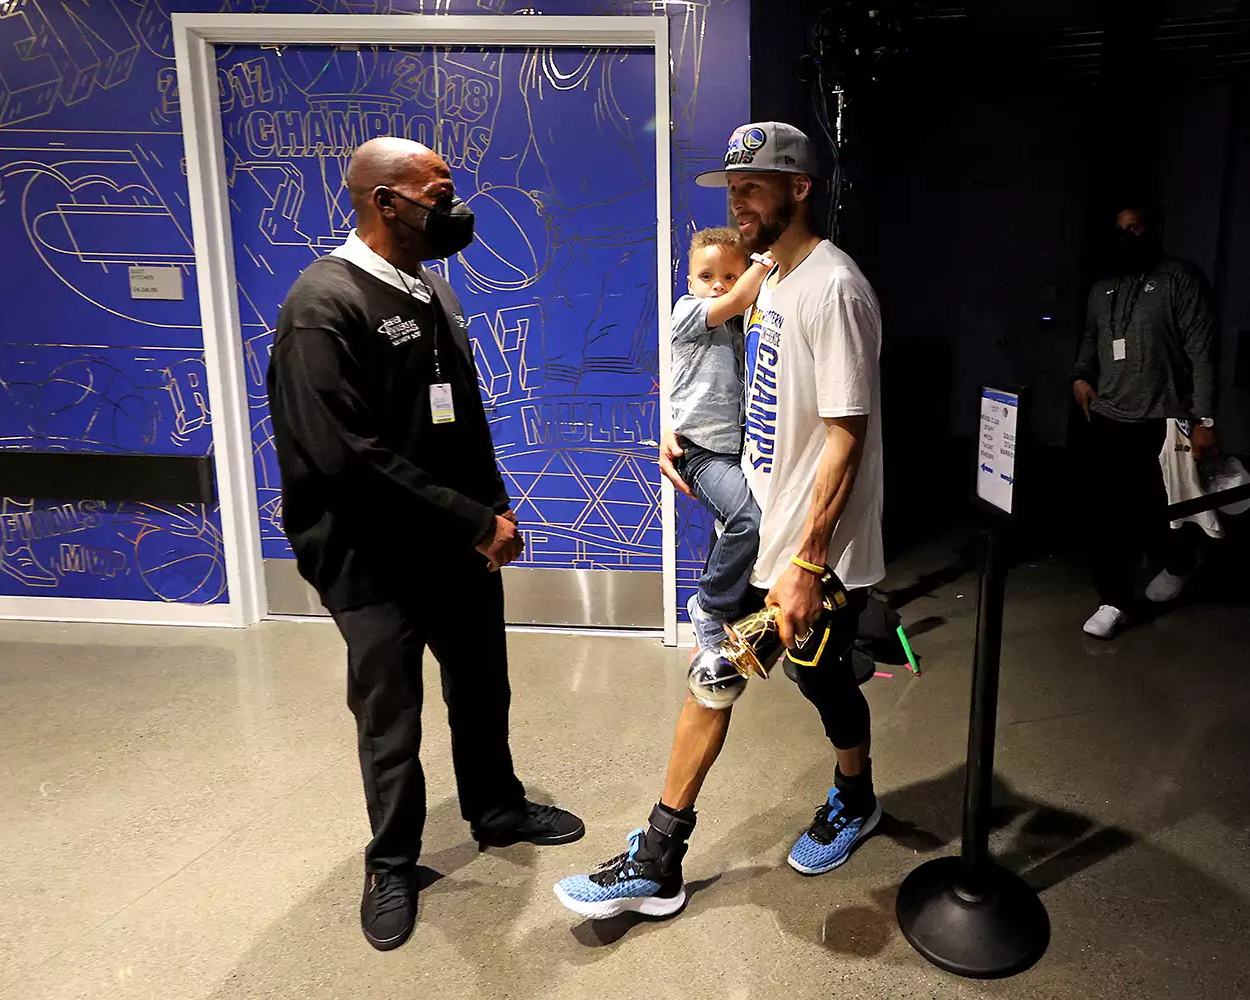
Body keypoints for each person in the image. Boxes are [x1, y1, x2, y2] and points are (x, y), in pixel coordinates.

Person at [553, 121, 885, 919]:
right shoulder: (769, 278)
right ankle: (661, 856)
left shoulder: (833, 288)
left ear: (800, 188)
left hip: (812, 554)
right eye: (731, 187)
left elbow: (847, 432)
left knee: (812, 680)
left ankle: (852, 798)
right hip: (767, 533)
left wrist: (807, 565)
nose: (737, 201)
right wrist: (683, 434)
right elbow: (741, 383)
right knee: (726, 679)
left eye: (754, 186)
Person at [267, 137, 584, 952]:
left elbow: (461, 418)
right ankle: (393, 863)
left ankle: (497, 808)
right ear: (385, 202)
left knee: (483, 686)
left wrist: (495, 508)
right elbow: (345, 457)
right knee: (390, 714)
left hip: (455, 542)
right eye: (438, 193)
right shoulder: (321, 306)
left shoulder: (430, 289)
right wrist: (474, 520)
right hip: (371, 557)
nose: (454, 206)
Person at [1072, 203, 1217, 639]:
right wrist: (1080, 375)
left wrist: (1205, 417)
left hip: (1164, 417)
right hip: (1110, 416)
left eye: (1134, 227)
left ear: (1153, 230)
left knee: (1165, 511)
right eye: (1119, 229)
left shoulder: (1180, 280)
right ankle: (1113, 598)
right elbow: (1091, 338)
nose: (1126, 236)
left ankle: (1179, 562)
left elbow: (1202, 351)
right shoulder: (1102, 288)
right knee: (1110, 513)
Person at [667, 226, 773, 649]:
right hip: (701, 451)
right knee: (750, 521)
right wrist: (764, 264)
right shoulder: (689, 311)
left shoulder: (739, 325)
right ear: (690, 282)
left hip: (738, 449)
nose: (719, 285)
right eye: (707, 276)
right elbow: (736, 299)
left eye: (729, 275)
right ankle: (710, 605)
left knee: (732, 523)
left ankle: (726, 617)